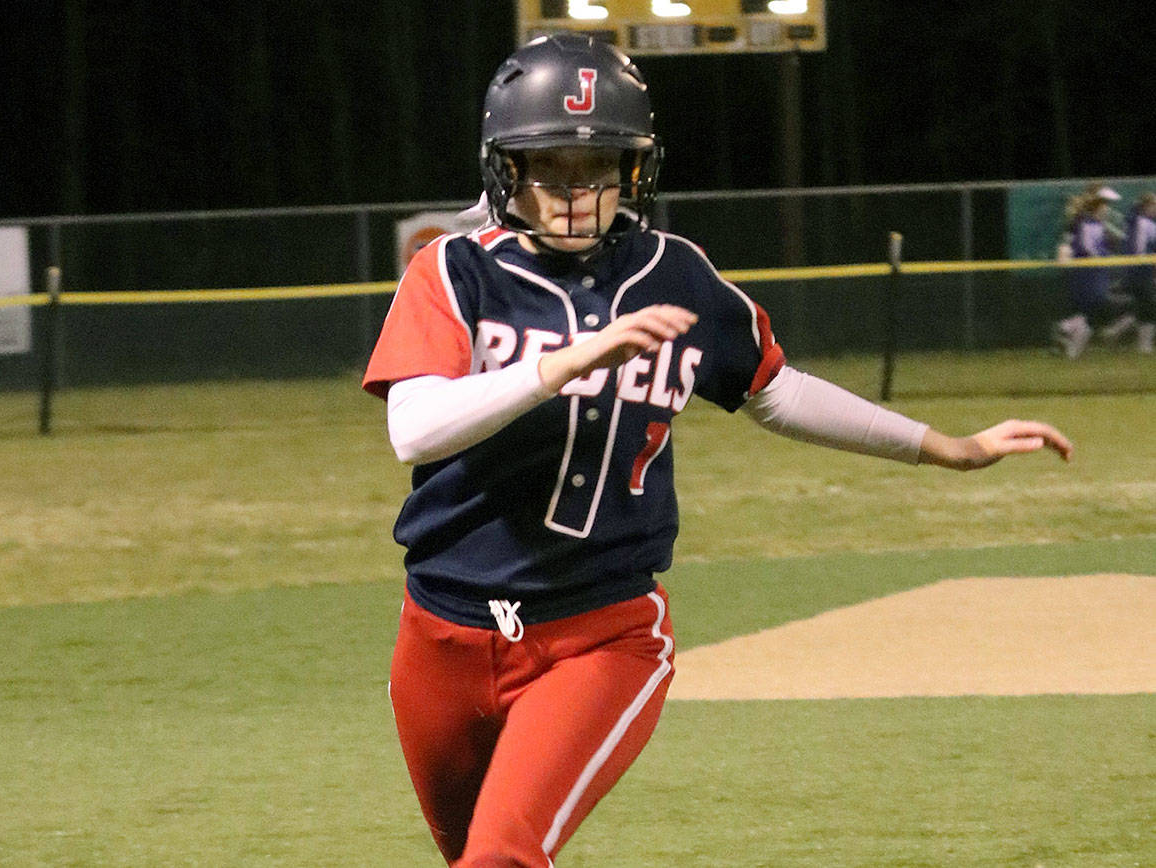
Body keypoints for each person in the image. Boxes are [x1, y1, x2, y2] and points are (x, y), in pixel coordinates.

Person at [362, 34, 1074, 868]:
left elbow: (778, 390)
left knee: (503, 856)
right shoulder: (453, 272)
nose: (575, 188)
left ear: (637, 170)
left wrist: (945, 448)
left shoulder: (677, 276)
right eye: (547, 162)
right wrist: (563, 363)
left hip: (598, 636)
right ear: (504, 168)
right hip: (440, 637)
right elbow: (414, 427)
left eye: (600, 164)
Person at [1052, 185, 1130, 358]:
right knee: (1094, 305)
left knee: (1090, 313)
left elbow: (1102, 244)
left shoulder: (1095, 223)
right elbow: (1086, 246)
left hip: (1095, 271)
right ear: (1097, 205)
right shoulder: (1083, 222)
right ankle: (1064, 328)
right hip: (1086, 273)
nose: (1107, 208)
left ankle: (1070, 344)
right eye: (1104, 204)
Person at [1122, 192, 1156, 353]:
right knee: (1148, 306)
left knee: (1143, 306)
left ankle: (1117, 330)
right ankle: (1143, 344)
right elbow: (1140, 250)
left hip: (1137, 271)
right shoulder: (1143, 222)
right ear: (1146, 206)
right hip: (1141, 271)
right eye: (1153, 205)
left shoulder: (1138, 221)